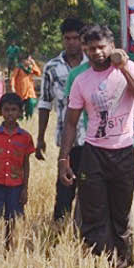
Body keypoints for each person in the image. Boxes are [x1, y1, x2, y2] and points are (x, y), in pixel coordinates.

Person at [58, 25, 134, 268]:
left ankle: (123, 262)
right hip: (93, 153)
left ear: (112, 46)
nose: (97, 53)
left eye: (102, 47)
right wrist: (64, 160)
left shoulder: (128, 68)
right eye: (90, 48)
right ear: (84, 49)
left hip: (124, 152)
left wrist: (123, 69)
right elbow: (70, 123)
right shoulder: (81, 80)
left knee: (121, 215)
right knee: (93, 215)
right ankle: (98, 262)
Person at [36, 18, 86, 222]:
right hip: (68, 141)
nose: (72, 42)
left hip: (92, 140)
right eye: (68, 38)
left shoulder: (93, 64)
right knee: (65, 192)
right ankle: (58, 235)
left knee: (91, 193)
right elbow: (45, 103)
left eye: (76, 38)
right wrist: (40, 138)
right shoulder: (52, 67)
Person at [0, 92, 35, 247]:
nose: (10, 113)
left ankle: (8, 246)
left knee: (12, 219)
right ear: (0, 112)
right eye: (6, 109)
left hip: (15, 186)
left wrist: (25, 188)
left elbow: (26, 164)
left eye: (14, 110)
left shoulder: (26, 137)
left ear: (20, 112)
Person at [10, 56, 42, 121]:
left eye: (30, 60)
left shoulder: (31, 68)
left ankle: (28, 118)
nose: (29, 61)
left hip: (29, 90)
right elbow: (13, 77)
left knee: (31, 103)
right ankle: (20, 119)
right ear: (23, 60)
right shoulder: (19, 68)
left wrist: (34, 64)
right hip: (20, 90)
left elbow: (38, 73)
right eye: (28, 60)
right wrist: (12, 87)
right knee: (19, 106)